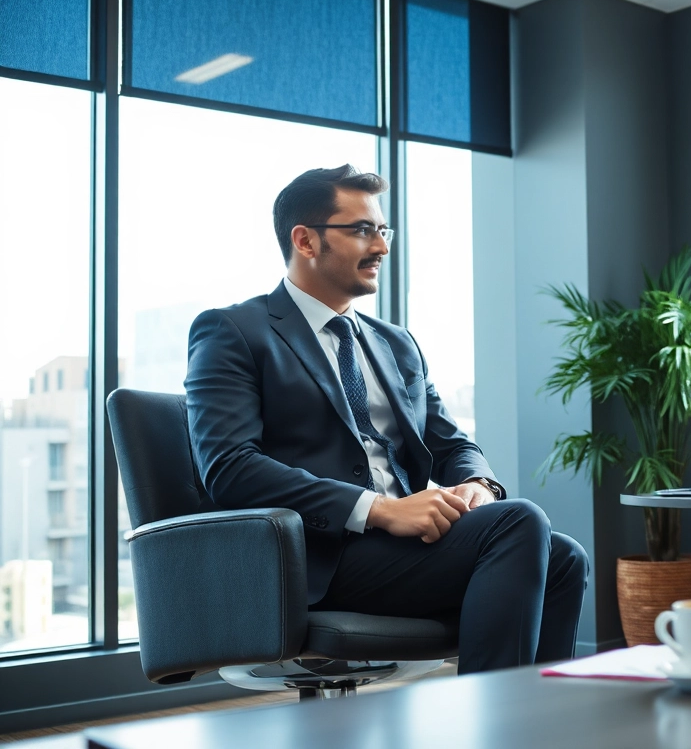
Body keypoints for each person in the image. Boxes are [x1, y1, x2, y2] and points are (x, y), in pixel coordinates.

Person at [185, 165, 589, 673]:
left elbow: (450, 441)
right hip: (315, 557)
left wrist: (477, 483)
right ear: (305, 241)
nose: (381, 246)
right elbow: (230, 468)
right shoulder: (235, 331)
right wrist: (377, 509)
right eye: (361, 230)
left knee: (564, 557)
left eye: (383, 230)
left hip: (405, 549)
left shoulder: (395, 343)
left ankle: (538, 727)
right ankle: (493, 724)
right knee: (521, 522)